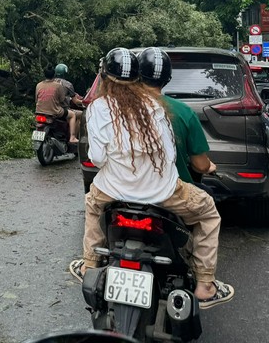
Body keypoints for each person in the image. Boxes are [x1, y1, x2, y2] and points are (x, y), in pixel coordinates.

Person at [68, 47, 234, 309]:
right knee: (209, 214)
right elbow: (169, 155)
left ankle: (89, 263)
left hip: (113, 192)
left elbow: (98, 159)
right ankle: (204, 285)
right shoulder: (157, 107)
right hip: (164, 194)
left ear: (104, 77)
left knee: (92, 204)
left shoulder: (98, 107)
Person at [137, 47, 216, 185]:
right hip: (172, 190)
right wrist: (210, 166)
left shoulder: (121, 108)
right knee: (208, 204)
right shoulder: (184, 112)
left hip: (126, 189)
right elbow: (201, 165)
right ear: (168, 79)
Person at [53, 63, 84, 142]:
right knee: (80, 115)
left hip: (50, 109)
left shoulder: (50, 82)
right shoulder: (68, 84)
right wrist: (85, 102)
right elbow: (75, 101)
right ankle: (72, 137)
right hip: (63, 110)